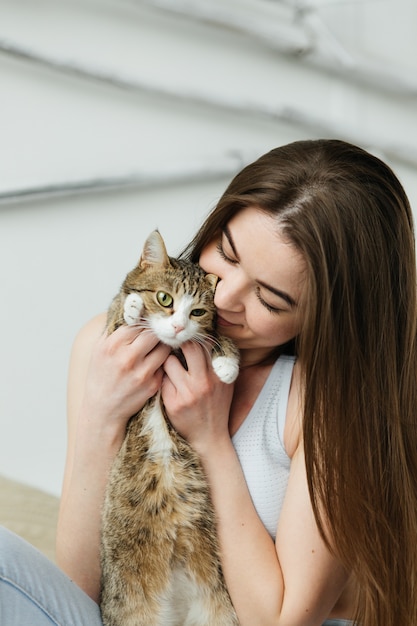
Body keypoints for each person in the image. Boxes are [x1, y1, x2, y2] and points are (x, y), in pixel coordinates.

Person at [1, 139, 416, 626]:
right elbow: (83, 590)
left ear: (330, 318)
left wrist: (211, 439)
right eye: (227, 254)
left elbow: (280, 621)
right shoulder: (110, 345)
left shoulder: (320, 403)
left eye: (272, 299)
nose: (225, 297)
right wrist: (101, 412)